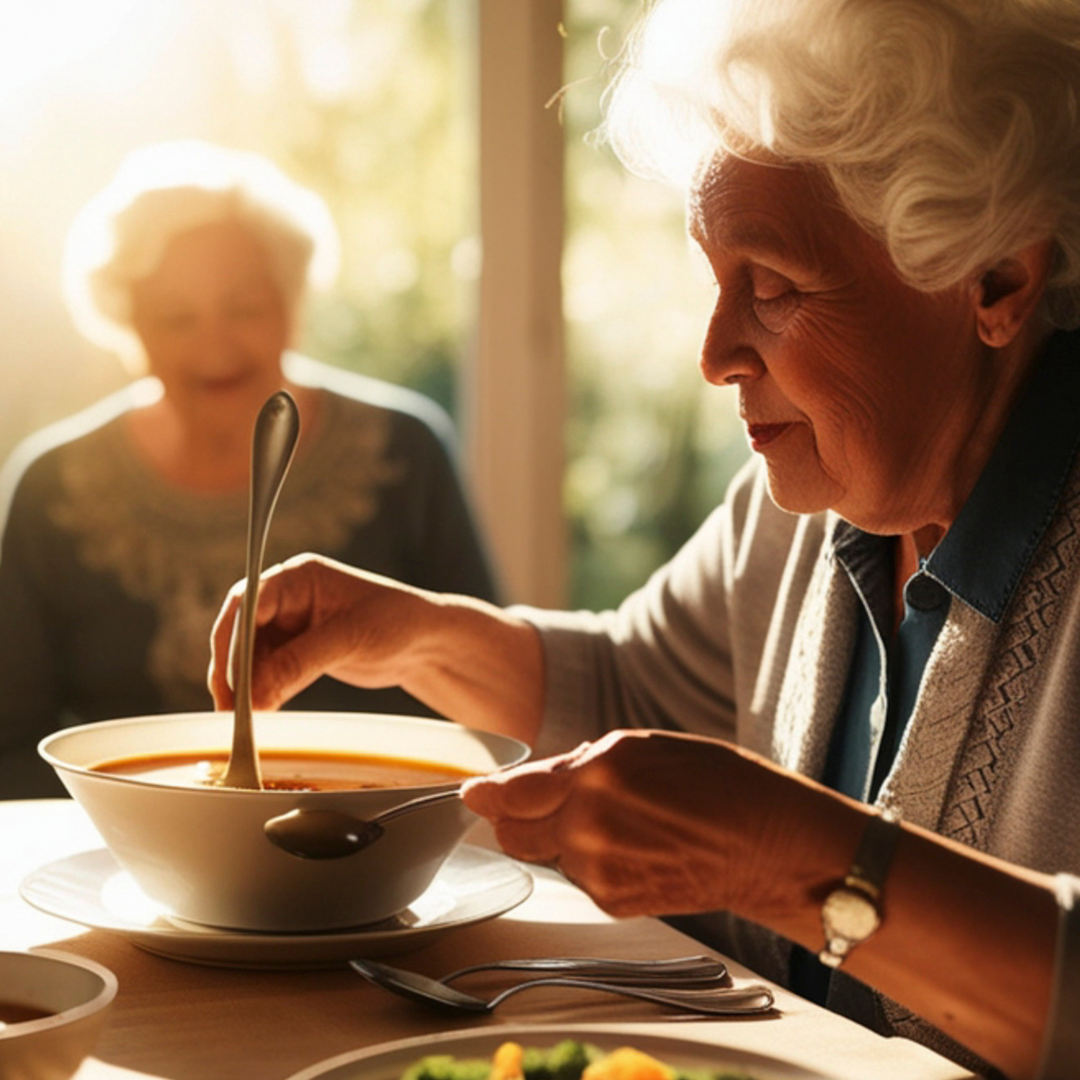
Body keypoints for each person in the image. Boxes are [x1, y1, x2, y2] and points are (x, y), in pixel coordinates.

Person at [208, 1, 1080, 1077]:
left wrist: (791, 861)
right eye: (715, 283)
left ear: (994, 276)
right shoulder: (800, 503)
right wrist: (414, 637)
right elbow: (638, 688)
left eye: (773, 288)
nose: (715, 354)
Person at [0, 140, 498, 799]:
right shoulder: (51, 485)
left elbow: (490, 697)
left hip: (383, 848)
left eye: (244, 308)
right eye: (177, 317)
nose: (215, 345)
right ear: (129, 325)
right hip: (123, 870)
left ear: (292, 304)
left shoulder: (405, 452)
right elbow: (10, 750)